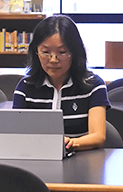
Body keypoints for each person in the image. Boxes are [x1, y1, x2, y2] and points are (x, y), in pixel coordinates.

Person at [12, 15, 110, 151]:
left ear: (75, 52)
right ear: (36, 52)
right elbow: (16, 133)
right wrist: (3, 141)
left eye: (62, 52)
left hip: (81, 161)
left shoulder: (93, 85)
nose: (53, 60)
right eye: (45, 52)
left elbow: (98, 136)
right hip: (38, 160)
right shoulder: (25, 87)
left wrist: (70, 143)